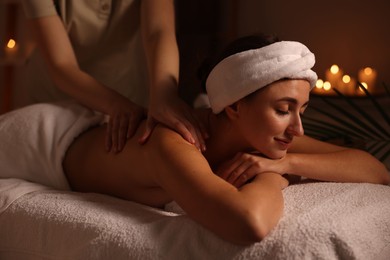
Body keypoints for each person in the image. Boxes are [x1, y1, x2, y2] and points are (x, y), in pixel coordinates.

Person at [0, 34, 389, 245]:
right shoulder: (174, 143)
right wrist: (273, 176)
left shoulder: (263, 134)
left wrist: (283, 161)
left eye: (301, 110)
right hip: (37, 141)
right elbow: (247, 223)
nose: (298, 130)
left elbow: (373, 169)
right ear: (234, 107)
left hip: (85, 129)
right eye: (284, 109)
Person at [21, 0, 207, 153]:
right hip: (57, 98)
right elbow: (62, 65)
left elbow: (158, 31)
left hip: (128, 89)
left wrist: (164, 94)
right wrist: (116, 104)